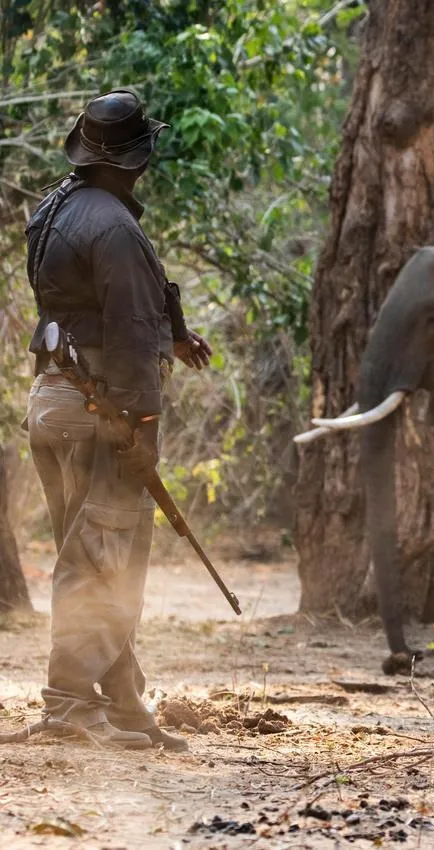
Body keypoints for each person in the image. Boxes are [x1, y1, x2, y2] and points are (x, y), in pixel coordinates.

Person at [17, 89, 213, 751]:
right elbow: (128, 337)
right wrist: (143, 429)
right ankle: (70, 704)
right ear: (138, 158)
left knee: (99, 557)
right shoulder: (116, 229)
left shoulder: (55, 207)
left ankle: (124, 707)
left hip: (54, 402)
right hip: (101, 411)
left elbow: (83, 309)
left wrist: (173, 335)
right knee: (102, 560)